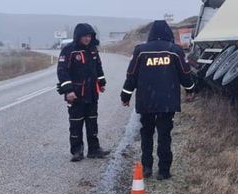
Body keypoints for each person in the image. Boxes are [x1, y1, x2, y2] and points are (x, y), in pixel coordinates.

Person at [120, 20, 195, 180]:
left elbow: (131, 75)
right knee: (164, 135)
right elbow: (185, 73)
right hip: (167, 102)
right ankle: (163, 171)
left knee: (146, 134)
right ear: (168, 33)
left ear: (151, 33)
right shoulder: (175, 50)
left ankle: (147, 167)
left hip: (146, 101)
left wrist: (125, 96)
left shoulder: (140, 50)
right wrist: (190, 90)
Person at [57, 23, 111, 162]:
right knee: (76, 123)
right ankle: (77, 151)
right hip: (75, 95)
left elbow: (98, 68)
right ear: (78, 36)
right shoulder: (69, 51)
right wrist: (68, 91)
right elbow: (62, 71)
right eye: (85, 36)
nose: (87, 39)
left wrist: (102, 83)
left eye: (89, 36)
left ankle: (94, 149)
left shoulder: (93, 50)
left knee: (92, 122)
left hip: (92, 93)